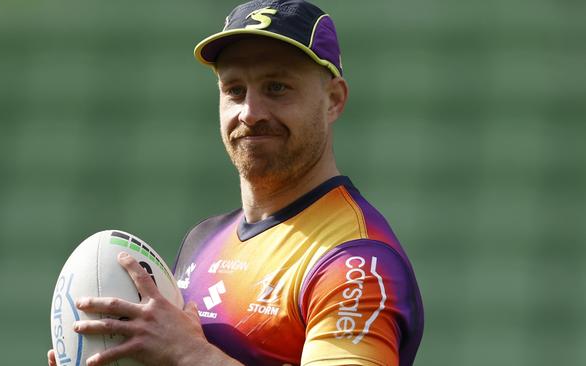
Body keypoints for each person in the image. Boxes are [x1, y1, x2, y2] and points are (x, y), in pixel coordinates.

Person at [47, 0, 424, 365]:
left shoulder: (355, 259)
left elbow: (186, 355)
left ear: (334, 100)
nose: (251, 113)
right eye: (234, 90)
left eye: (277, 87)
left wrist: (189, 353)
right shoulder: (203, 239)